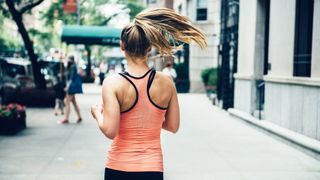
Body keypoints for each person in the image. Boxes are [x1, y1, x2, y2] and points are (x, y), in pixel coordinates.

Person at [90, 8, 207, 180]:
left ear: (122, 45)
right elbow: (173, 126)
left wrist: (97, 114)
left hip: (118, 167)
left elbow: (110, 131)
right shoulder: (166, 83)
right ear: (149, 47)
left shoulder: (112, 83)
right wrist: (150, 117)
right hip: (152, 168)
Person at [58, 55, 83, 124]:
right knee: (74, 102)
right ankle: (79, 117)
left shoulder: (72, 66)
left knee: (67, 101)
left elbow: (71, 78)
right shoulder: (74, 66)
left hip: (71, 87)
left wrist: (67, 87)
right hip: (73, 87)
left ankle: (66, 118)